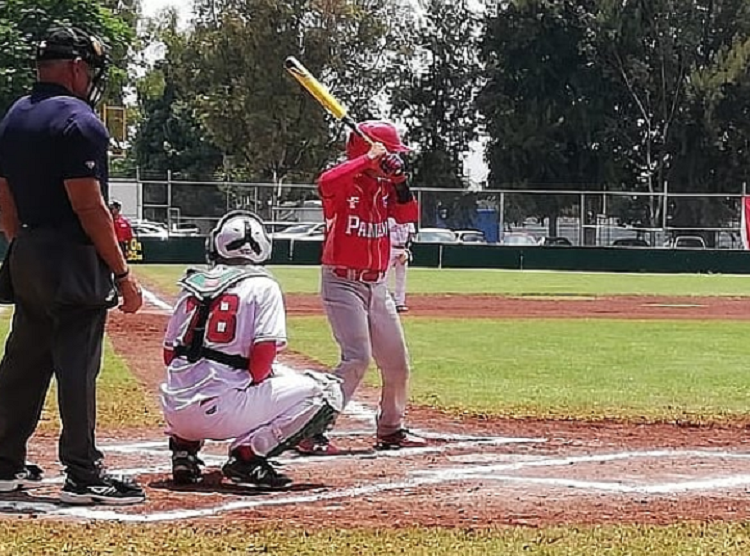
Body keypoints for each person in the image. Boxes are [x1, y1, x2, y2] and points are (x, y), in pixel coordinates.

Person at [0, 27, 145, 504]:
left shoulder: (15, 116)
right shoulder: (79, 121)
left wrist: (18, 240)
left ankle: (4, 460)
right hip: (71, 256)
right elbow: (89, 206)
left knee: (23, 360)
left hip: (26, 249)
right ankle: (83, 470)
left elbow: (3, 191)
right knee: (78, 364)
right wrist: (121, 273)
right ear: (77, 68)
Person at [161, 211, 343, 489]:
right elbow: (261, 359)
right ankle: (247, 457)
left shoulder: (192, 285)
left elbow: (168, 356)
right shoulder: (264, 285)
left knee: (196, 369)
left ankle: (183, 451)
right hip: (222, 413)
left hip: (174, 411)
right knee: (327, 390)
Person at [297, 121, 427, 455]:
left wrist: (399, 180)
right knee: (356, 358)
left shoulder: (384, 189)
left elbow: (408, 214)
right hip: (342, 282)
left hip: (376, 284)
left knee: (397, 362)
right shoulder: (344, 183)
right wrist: (367, 159)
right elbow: (325, 182)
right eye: (390, 154)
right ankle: (311, 432)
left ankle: (391, 428)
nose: (393, 159)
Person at [387, 218, 416, 313]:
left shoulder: (409, 221)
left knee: (401, 278)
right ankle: (384, 301)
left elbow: (411, 236)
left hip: (402, 249)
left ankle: (399, 303)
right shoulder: (389, 219)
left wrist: (406, 251)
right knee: (384, 276)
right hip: (389, 249)